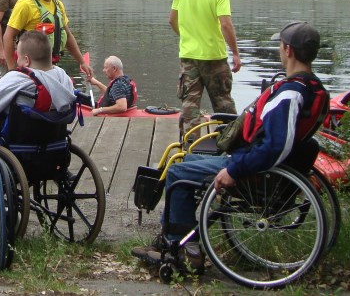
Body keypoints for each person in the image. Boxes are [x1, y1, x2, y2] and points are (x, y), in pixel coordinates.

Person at [131, 21, 330, 271]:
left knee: (177, 173)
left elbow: (275, 146)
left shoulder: (290, 94)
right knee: (188, 160)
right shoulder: (314, 88)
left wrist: (234, 170)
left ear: (288, 50)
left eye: (280, 46)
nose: (280, 50)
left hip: (256, 171)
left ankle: (180, 248)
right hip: (267, 166)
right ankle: (169, 238)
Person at [170, 0, 242, 138]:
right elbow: (225, 24)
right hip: (214, 58)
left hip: (188, 57)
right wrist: (235, 52)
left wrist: (186, 35)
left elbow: (172, 21)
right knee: (223, 103)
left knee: (190, 105)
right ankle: (230, 142)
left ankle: (189, 144)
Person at [2, 0, 94, 80]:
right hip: (30, 67)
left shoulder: (58, 5)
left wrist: (82, 62)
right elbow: (8, 36)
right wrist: (12, 69)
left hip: (51, 66)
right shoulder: (26, 4)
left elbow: (68, 36)